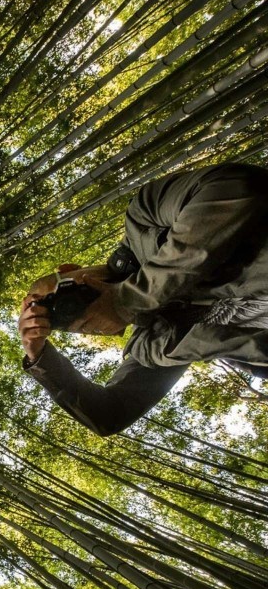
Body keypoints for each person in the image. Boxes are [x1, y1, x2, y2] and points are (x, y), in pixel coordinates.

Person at [18, 162, 268, 436]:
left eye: (60, 296)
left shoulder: (143, 221)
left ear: (68, 270)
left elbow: (237, 186)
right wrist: (39, 355)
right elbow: (109, 414)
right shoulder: (151, 345)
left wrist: (128, 301)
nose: (75, 312)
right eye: (60, 318)